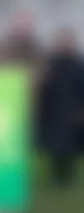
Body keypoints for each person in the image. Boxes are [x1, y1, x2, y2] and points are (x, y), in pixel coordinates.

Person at [37, 27, 84, 187]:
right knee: (54, 147)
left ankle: (68, 177)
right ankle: (55, 177)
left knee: (70, 148)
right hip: (53, 111)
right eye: (61, 41)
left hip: (73, 111)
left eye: (67, 41)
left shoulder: (78, 65)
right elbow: (42, 87)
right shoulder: (50, 64)